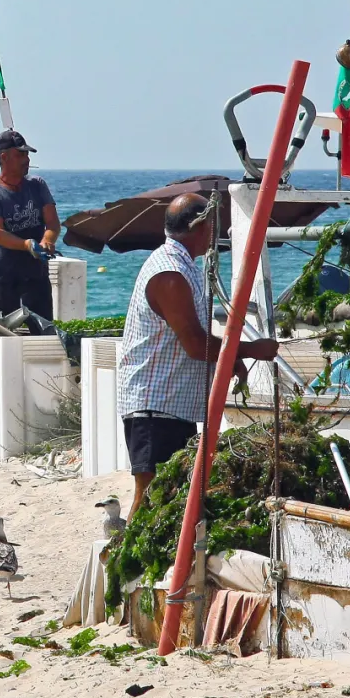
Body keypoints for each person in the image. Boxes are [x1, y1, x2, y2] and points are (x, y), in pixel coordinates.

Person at [117, 194, 279, 515]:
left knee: (171, 496)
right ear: (199, 226)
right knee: (150, 495)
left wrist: (231, 359)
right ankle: (122, 561)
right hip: (154, 405)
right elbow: (194, 342)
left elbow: (194, 340)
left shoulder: (182, 265)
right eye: (213, 223)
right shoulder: (170, 273)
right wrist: (250, 350)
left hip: (170, 406)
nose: (216, 231)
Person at [0, 129, 61, 319]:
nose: (26, 159)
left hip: (35, 276)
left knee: (43, 333)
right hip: (0, 279)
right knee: (4, 336)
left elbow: (53, 223)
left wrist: (47, 240)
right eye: (20, 154)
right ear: (4, 157)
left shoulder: (38, 185)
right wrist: (26, 245)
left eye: (27, 154)